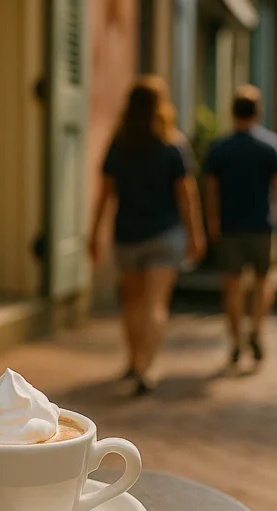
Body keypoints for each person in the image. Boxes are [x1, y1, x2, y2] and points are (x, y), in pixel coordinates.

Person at [88, 75, 206, 396]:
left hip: (127, 234)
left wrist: (94, 233)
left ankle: (133, 359)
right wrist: (196, 234)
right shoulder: (174, 144)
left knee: (132, 303)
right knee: (155, 304)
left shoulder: (119, 143)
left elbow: (105, 194)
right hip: (165, 235)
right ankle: (147, 367)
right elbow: (187, 195)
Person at [203, 85, 277, 366]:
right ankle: (256, 329)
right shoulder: (271, 145)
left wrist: (212, 220)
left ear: (233, 112)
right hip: (261, 225)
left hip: (230, 225)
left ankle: (236, 340)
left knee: (231, 286)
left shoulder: (220, 148)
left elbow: (210, 189)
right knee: (263, 280)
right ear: (258, 112)